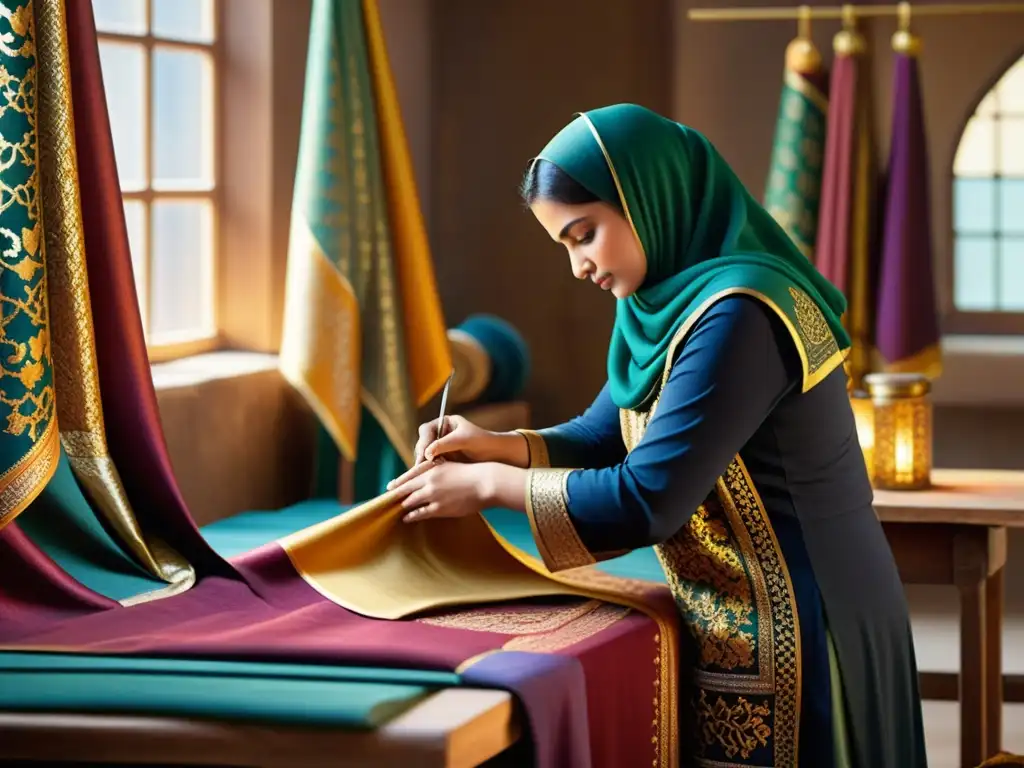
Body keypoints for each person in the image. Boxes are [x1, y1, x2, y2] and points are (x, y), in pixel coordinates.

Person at [389, 103, 927, 767]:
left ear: (646, 197)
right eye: (565, 245)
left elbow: (649, 498)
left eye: (584, 235)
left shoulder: (739, 312)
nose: (579, 266)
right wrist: (497, 444)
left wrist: (487, 485)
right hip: (737, 611)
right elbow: (606, 433)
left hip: (809, 618)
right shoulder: (663, 300)